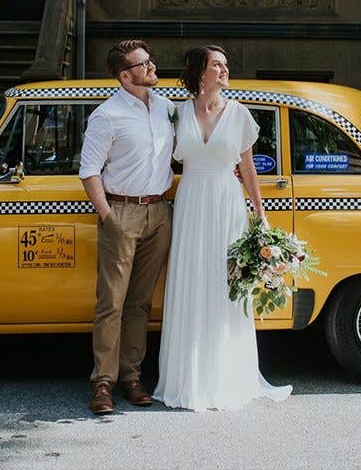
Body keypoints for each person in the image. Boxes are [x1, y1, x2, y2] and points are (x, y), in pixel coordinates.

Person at [153, 45, 292, 411]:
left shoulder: (239, 114)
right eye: (218, 65)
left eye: (226, 65)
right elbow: (159, 156)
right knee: (191, 280)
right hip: (191, 202)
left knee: (225, 283)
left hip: (227, 204)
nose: (225, 70)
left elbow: (247, 169)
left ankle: (227, 374)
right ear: (201, 72)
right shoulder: (176, 112)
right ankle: (189, 378)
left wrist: (260, 214)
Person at [78, 40, 175, 416]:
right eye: (143, 63)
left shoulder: (167, 108)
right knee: (111, 303)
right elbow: (89, 170)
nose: (151, 66)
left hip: (159, 213)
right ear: (124, 74)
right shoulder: (107, 116)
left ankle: (131, 377)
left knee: (140, 302)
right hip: (121, 212)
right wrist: (108, 217)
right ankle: (102, 383)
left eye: (150, 60)